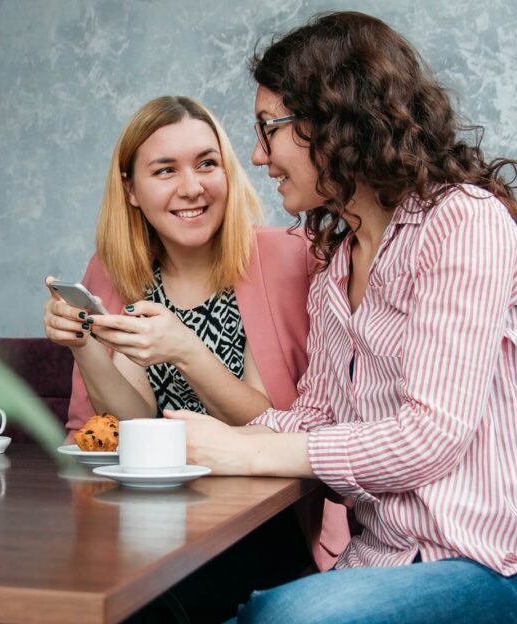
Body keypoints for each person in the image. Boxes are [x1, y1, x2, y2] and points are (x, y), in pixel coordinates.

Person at [164, 12, 517, 624]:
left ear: (336, 119)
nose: (257, 156)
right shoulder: (335, 267)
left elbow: (430, 434)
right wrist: (204, 436)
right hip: (388, 568)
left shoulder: (462, 221)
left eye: (268, 129)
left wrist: (242, 452)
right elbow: (314, 425)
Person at [43, 95, 351, 568]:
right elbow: (135, 422)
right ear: (131, 190)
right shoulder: (114, 272)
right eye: (165, 170)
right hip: (145, 517)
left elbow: (273, 426)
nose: (192, 188)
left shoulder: (288, 257)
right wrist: (84, 344)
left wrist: (186, 350)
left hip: (264, 524)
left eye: (207, 164)